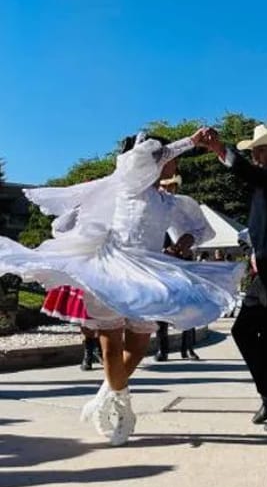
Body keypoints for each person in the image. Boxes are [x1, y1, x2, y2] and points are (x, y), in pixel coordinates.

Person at [0, 131, 244, 445]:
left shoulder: (171, 202)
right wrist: (190, 141)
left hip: (149, 272)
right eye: (167, 156)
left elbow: (198, 229)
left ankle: (106, 394)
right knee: (111, 346)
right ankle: (123, 405)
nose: (174, 161)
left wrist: (184, 242)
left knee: (139, 345)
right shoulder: (129, 186)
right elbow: (140, 159)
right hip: (112, 269)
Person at [195, 124, 267, 431]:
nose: (255, 154)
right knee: (243, 331)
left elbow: (249, 173)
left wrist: (220, 149)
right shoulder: (266, 184)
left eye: (262, 148)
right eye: (254, 150)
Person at [153, 173, 212, 362]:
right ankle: (162, 349)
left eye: (172, 186)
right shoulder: (152, 208)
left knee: (188, 306)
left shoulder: (184, 206)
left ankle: (188, 348)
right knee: (162, 308)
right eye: (165, 186)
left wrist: (187, 245)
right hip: (160, 262)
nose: (168, 190)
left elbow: (200, 231)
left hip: (183, 259)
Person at [41, 285, 101, 370]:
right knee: (82, 313)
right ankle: (89, 352)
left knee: (101, 315)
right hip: (81, 281)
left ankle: (97, 347)